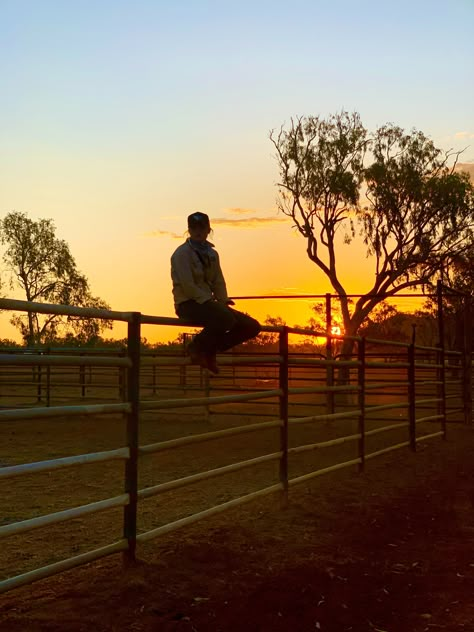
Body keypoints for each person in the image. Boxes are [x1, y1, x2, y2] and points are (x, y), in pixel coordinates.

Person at [171, 212, 261, 373]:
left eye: (202, 227)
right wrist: (211, 302)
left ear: (208, 229)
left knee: (252, 326)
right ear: (189, 230)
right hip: (188, 303)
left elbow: (218, 280)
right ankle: (196, 346)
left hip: (208, 303)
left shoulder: (212, 254)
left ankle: (210, 349)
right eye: (194, 228)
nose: (198, 231)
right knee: (225, 318)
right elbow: (187, 285)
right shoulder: (181, 254)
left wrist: (223, 299)